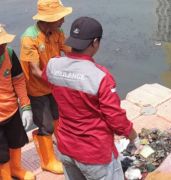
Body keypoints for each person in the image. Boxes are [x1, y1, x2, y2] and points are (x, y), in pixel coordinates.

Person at [41, 16, 140, 180]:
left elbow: (47, 80)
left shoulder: (53, 65)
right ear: (95, 42)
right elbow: (115, 117)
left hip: (65, 147)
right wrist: (132, 136)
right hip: (94, 154)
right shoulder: (101, 76)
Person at [19, 0, 72, 174]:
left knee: (59, 116)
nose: (63, 21)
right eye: (59, 18)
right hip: (37, 89)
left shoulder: (58, 32)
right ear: (47, 19)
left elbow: (68, 51)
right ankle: (47, 160)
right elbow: (34, 70)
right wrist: (59, 79)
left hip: (54, 83)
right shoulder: (30, 37)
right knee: (45, 125)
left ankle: (63, 144)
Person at [0, 26, 35, 180]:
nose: (2, 47)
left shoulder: (9, 53)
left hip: (12, 111)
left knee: (16, 142)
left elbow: (19, 80)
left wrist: (26, 106)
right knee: (1, 153)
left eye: (4, 43)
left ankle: (16, 168)